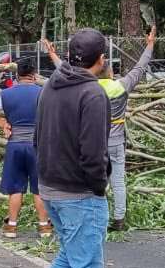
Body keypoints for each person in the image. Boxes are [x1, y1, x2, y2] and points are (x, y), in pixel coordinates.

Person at [15, 28, 123, 268]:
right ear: (101, 59)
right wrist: (99, 186)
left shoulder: (50, 86)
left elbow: (38, 136)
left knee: (69, 257)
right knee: (88, 267)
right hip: (78, 192)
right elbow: (93, 153)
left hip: (50, 186)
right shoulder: (92, 95)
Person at [41, 24, 156, 232]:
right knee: (119, 181)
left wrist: (53, 55)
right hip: (115, 141)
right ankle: (119, 218)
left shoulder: (81, 87)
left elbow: (63, 69)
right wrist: (149, 46)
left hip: (89, 146)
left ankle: (98, 201)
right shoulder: (119, 86)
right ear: (105, 67)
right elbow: (139, 69)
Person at [0, 56, 51, 239]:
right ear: (34, 74)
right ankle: (44, 226)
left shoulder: (5, 94)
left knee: (15, 187)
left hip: (15, 144)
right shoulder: (44, 93)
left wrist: (4, 123)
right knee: (39, 187)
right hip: (37, 145)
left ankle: (11, 226)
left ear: (17, 74)